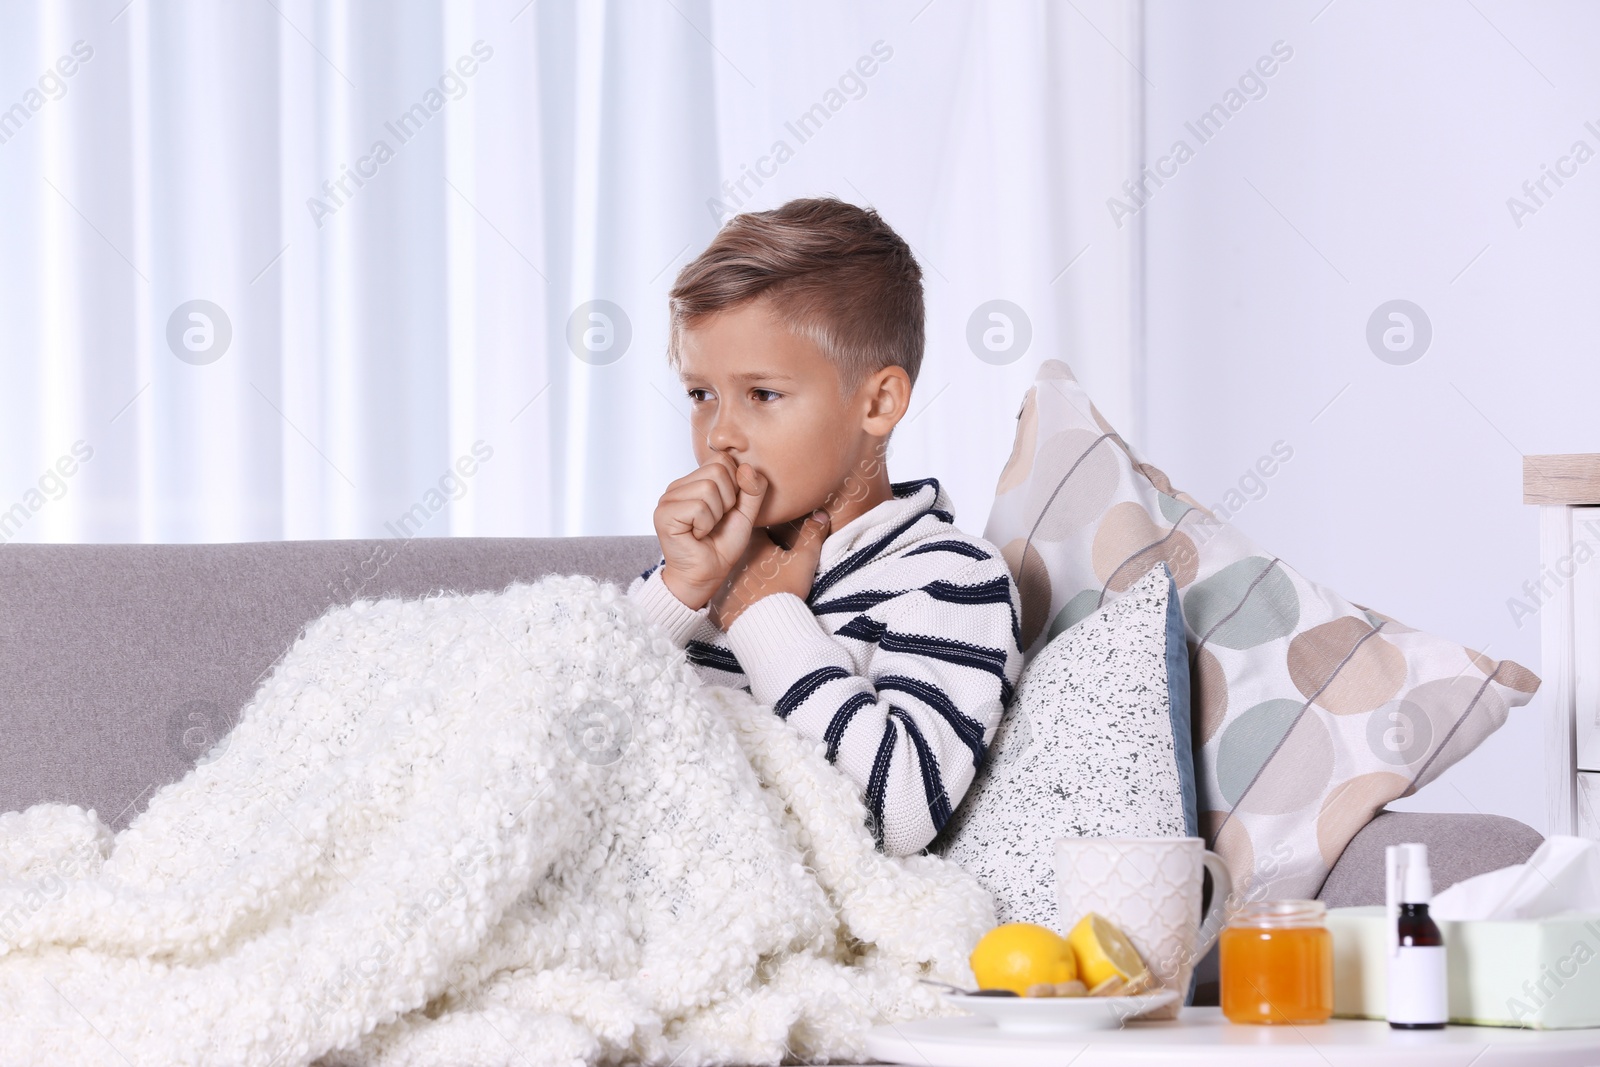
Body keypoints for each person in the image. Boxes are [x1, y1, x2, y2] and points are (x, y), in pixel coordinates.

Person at [627, 197, 1023, 858]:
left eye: (764, 394)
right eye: (701, 394)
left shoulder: (951, 578)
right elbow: (571, 721)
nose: (720, 434)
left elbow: (893, 814)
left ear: (876, 402)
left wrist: (764, 611)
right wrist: (677, 590)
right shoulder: (696, 574)